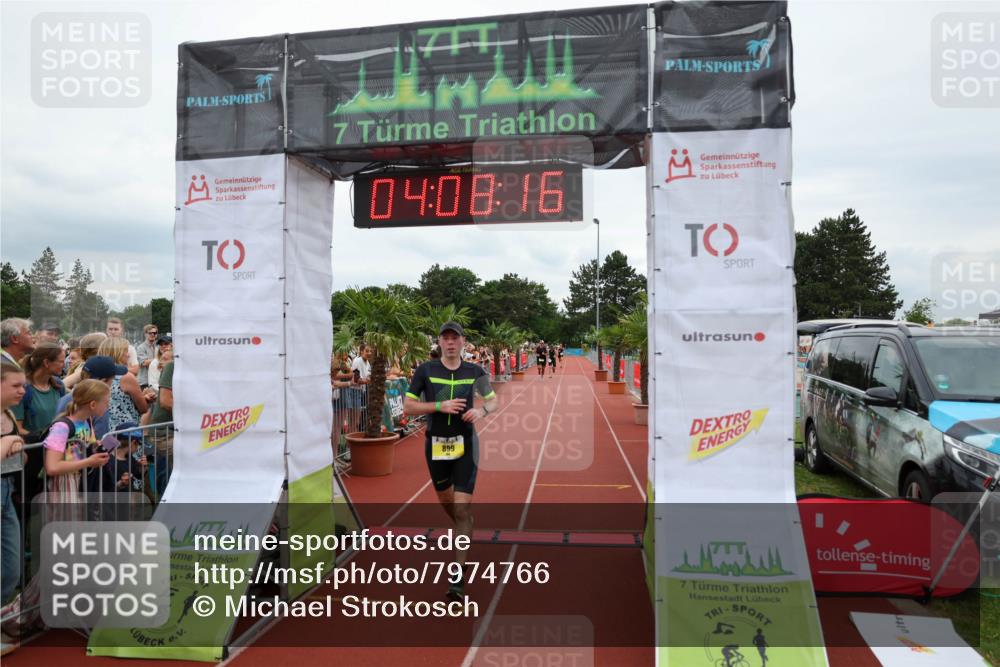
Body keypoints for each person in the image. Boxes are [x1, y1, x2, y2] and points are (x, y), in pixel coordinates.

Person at [403, 321, 497, 601]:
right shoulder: (426, 371)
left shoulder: (475, 371)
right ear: (440, 343)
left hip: (466, 445)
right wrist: (438, 406)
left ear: (463, 342)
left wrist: (481, 412)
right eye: (446, 338)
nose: (451, 343)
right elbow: (408, 407)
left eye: (455, 338)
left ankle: (457, 576)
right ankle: (464, 524)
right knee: (451, 507)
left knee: (461, 504)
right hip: (436, 447)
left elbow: (493, 401)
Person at [42, 379, 111, 503]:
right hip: (64, 483)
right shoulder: (61, 428)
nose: (108, 406)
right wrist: (89, 462)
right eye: (106, 403)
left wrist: (96, 447)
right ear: (93, 404)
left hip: (81, 480)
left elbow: (84, 448)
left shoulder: (87, 421)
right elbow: (52, 467)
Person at [97, 338, 153, 431]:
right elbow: (143, 409)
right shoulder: (126, 377)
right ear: (117, 353)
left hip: (101, 432)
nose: (128, 355)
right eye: (126, 351)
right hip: (126, 434)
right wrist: (146, 399)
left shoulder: (95, 374)